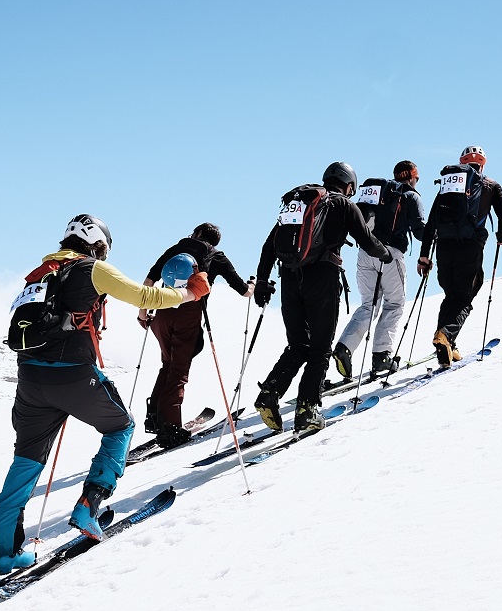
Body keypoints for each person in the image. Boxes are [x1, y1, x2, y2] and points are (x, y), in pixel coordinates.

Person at [0, 214, 208, 575]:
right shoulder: (92, 268)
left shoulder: (40, 273)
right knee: (121, 426)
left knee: (25, 461)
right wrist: (191, 292)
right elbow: (146, 296)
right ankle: (88, 506)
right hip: (74, 374)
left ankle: (4, 553)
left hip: (30, 379)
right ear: (97, 244)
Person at [251, 162, 394, 434]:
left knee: (298, 345)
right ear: (348, 185)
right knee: (320, 347)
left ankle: (270, 393)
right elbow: (366, 239)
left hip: (289, 277)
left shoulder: (299, 204)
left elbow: (270, 244)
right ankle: (307, 410)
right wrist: (385, 254)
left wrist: (261, 280)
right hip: (322, 278)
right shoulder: (343, 204)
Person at [139, 223, 252, 448]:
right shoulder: (217, 256)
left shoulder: (176, 249)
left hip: (162, 308)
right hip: (188, 314)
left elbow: (150, 280)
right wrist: (252, 286)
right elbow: (243, 290)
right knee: (178, 370)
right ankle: (170, 428)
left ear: (197, 233)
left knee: (168, 364)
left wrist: (143, 313)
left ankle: (155, 418)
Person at [332, 160, 430, 379]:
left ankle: (345, 347)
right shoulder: (410, 195)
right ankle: (382, 356)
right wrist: (435, 235)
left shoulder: (375, 192)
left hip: (365, 253)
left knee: (369, 304)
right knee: (394, 303)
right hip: (390, 254)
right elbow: (419, 231)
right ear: (413, 177)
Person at [419, 146, 502, 367]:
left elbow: (431, 222)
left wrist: (424, 256)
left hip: (444, 247)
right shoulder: (490, 185)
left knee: (451, 295)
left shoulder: (448, 185)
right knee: (464, 296)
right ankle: (445, 335)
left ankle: (447, 344)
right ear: (482, 165)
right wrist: (501, 237)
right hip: (470, 246)